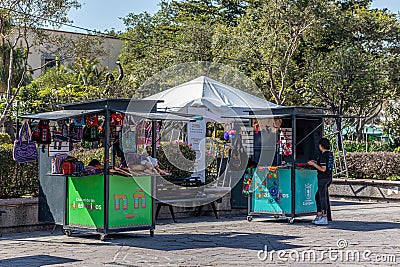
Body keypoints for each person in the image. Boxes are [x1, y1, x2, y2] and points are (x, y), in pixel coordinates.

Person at [308, 138, 334, 226]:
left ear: (320, 146)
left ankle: (324, 216)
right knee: (318, 196)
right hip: (329, 178)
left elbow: (323, 169)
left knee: (322, 197)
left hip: (323, 178)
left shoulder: (323, 155)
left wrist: (314, 164)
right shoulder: (330, 154)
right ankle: (319, 215)